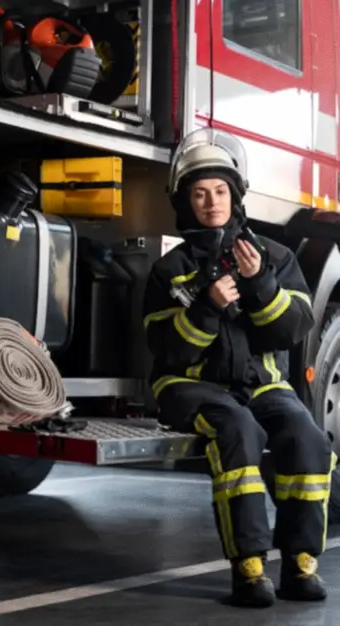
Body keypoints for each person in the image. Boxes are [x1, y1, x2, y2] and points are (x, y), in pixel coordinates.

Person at [142, 129, 336, 608]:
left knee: (307, 438)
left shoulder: (274, 258)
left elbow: (291, 330)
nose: (212, 202)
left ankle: (300, 564)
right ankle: (249, 570)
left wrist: (260, 286)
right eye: (200, 194)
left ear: (236, 195)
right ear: (186, 202)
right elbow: (169, 351)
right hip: (191, 387)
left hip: (263, 384)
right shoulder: (171, 270)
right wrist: (206, 307)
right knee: (239, 431)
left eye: (221, 192)